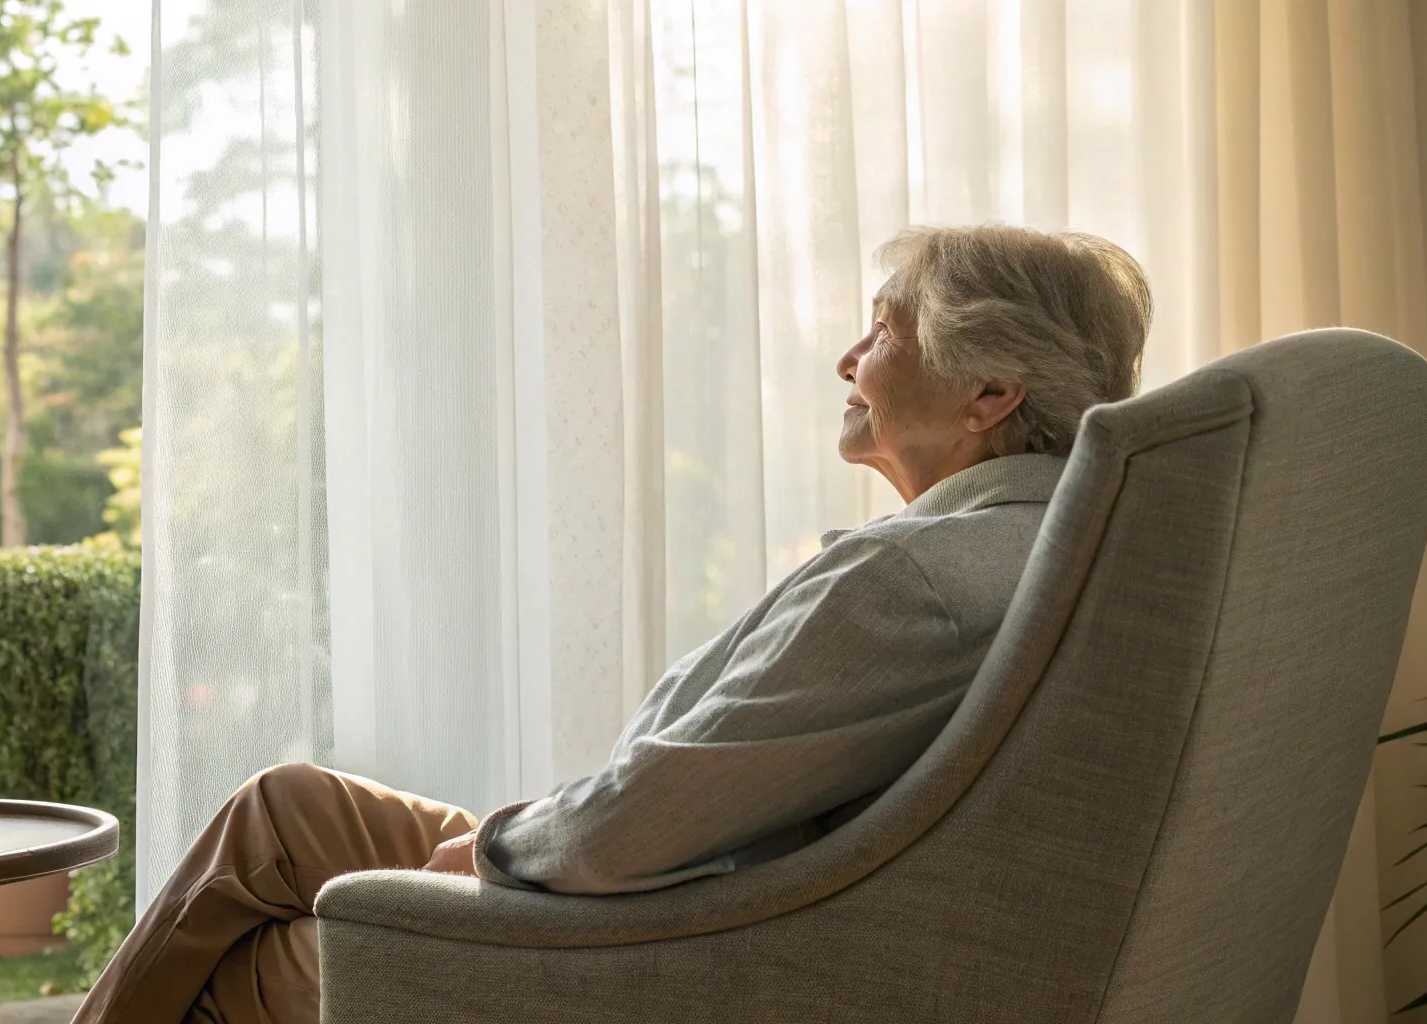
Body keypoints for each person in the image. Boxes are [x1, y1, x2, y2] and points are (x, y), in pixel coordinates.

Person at [73, 224, 1155, 1024]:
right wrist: (513, 833)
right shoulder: (1053, 547)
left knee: (240, 969)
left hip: (643, 946)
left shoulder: (911, 581)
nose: (847, 361)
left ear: (989, 392)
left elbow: (624, 832)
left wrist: (492, 851)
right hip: (677, 886)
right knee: (286, 808)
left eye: (880, 331)